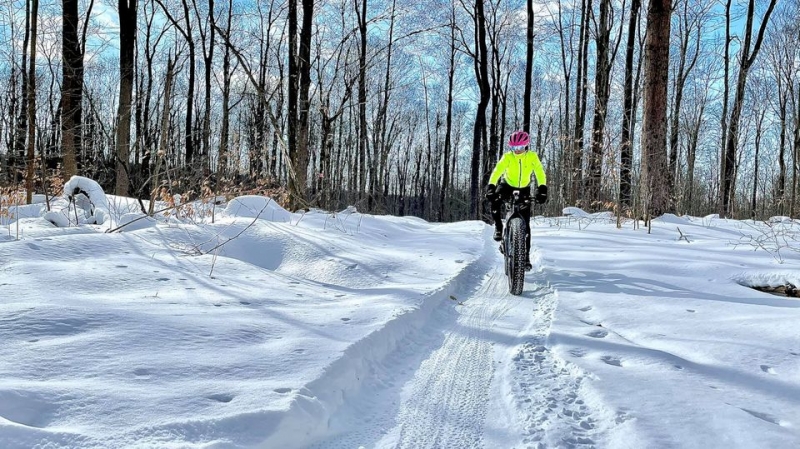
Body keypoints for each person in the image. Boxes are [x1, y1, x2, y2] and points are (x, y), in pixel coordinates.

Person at [485, 130, 547, 271]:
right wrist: (491, 187)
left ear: (526, 145)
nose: (517, 151)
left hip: (524, 188)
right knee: (495, 200)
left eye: (520, 147)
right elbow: (497, 171)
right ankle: (499, 227)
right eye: (514, 148)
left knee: (526, 224)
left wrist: (542, 188)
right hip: (506, 185)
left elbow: (539, 172)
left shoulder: (532, 157)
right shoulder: (507, 157)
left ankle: (525, 258)